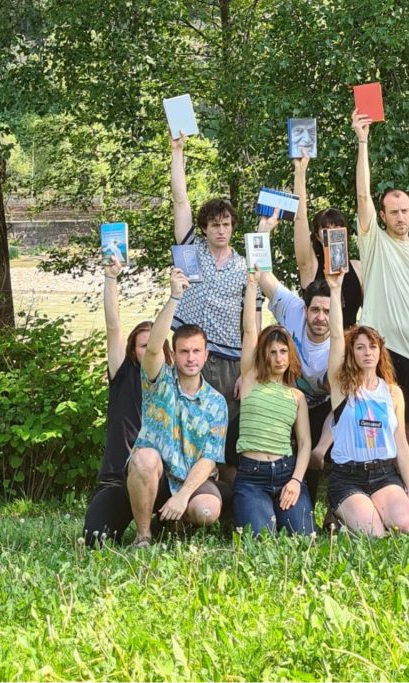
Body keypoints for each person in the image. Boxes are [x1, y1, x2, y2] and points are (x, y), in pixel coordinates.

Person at [170, 132, 263, 484]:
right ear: (205, 228)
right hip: (189, 353)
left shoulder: (245, 267)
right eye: (214, 225)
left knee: (225, 437)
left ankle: (223, 504)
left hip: (229, 361)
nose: (220, 230)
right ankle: (184, 494)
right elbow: (180, 202)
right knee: (187, 427)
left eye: (226, 224)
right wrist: (177, 152)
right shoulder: (191, 252)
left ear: (232, 227)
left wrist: (248, 371)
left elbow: (252, 324)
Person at [351, 109, 409, 457]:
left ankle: (406, 498)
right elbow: (363, 197)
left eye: (405, 210)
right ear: (384, 215)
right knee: (376, 425)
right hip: (382, 351)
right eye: (393, 211)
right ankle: (376, 492)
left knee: (408, 433)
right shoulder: (374, 243)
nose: (400, 216)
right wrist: (363, 140)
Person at [125, 268, 229, 548]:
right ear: (175, 353)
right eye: (184, 351)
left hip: (191, 482)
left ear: (206, 355)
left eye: (197, 351)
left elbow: (209, 459)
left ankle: (178, 522)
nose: (191, 358)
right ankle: (144, 535)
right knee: (145, 459)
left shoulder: (216, 403)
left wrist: (183, 495)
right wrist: (174, 297)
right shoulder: (159, 381)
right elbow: (153, 347)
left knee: (208, 512)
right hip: (155, 478)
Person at [81, 254, 172, 546]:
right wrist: (110, 278)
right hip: (117, 481)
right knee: (95, 540)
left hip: (159, 481)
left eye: (154, 345)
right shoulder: (122, 375)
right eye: (143, 345)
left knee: (182, 532)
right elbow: (114, 328)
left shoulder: (172, 382)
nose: (149, 350)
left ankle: (158, 525)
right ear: (133, 350)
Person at [324, 268, 409, 536]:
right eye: (360, 347)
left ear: (380, 352)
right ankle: (340, 513)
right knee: (374, 535)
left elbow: (401, 442)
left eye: (373, 347)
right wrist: (335, 289)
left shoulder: (392, 393)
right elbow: (335, 337)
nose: (367, 352)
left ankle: (375, 507)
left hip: (384, 475)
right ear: (351, 353)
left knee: (404, 525)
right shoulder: (342, 387)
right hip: (347, 476)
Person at [232, 264, 315, 536]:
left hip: (285, 473)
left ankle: (288, 501)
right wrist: (253, 284)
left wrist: (295, 481)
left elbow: (304, 444)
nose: (279, 358)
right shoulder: (250, 379)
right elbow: (249, 332)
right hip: (251, 476)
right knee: (260, 538)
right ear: (264, 355)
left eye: (283, 352)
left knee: (303, 537)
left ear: (290, 356)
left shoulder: (297, 396)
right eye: (273, 352)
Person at [291, 152, 363, 327]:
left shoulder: (359, 268)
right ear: (317, 235)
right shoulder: (311, 266)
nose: (332, 235)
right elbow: (300, 219)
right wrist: (300, 173)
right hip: (319, 348)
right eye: (326, 230)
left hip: (350, 348)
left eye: (337, 228)